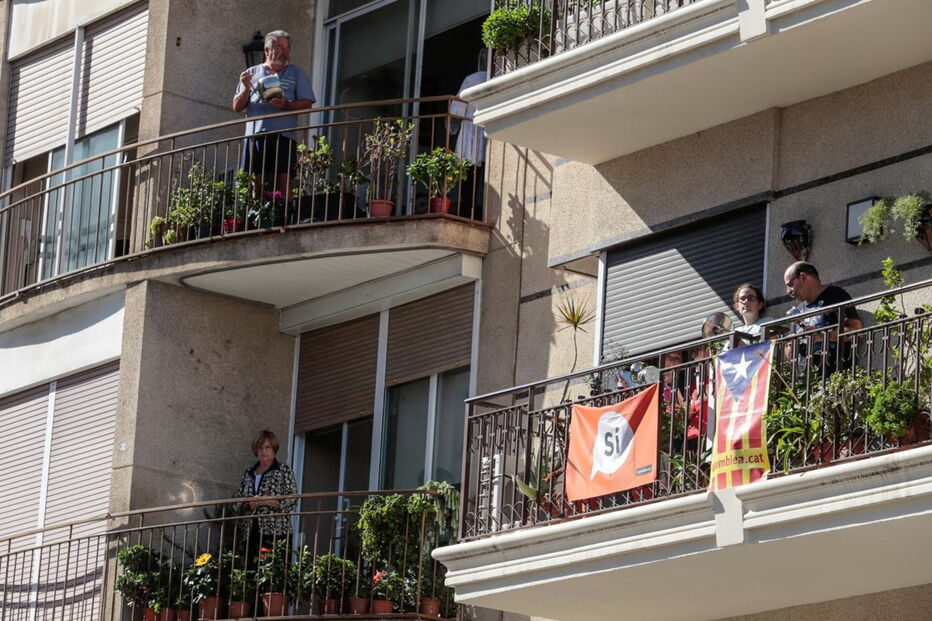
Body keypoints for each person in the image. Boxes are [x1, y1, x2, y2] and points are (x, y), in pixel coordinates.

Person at [233, 30, 315, 203]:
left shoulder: (296, 73)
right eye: (279, 47)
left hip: (284, 135)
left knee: (284, 179)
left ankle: (285, 217)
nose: (284, 51)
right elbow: (237, 107)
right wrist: (246, 88)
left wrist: (287, 104)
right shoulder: (251, 72)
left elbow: (307, 103)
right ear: (267, 50)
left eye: (287, 47)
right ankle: (257, 218)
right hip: (256, 135)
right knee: (257, 181)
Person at [236, 429, 298, 557]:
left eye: (268, 447)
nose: (264, 451)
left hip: (276, 530)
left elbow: (292, 498)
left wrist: (264, 502)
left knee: (274, 570)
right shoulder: (248, 473)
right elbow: (238, 501)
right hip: (251, 531)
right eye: (260, 448)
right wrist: (248, 505)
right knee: (251, 570)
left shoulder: (283, 471)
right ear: (255, 450)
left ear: (274, 449)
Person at [783, 262, 862, 332]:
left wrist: (821, 335)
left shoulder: (834, 294)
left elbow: (856, 329)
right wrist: (788, 346)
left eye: (790, 285)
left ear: (803, 277)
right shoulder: (798, 310)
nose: (788, 291)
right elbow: (791, 342)